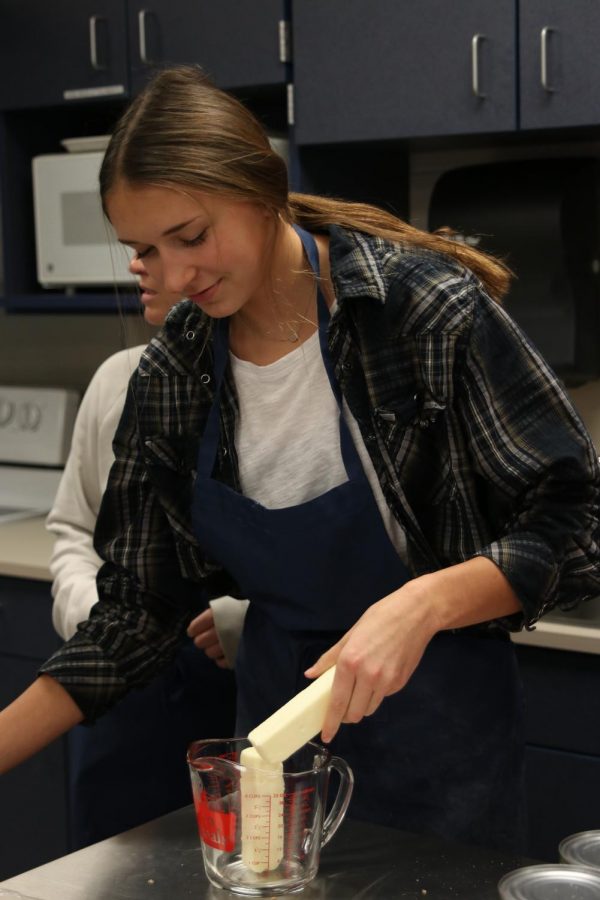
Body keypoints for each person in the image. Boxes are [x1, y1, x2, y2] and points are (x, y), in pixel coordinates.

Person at [1, 66, 599, 854]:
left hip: (442, 741)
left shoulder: (419, 311)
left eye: (192, 236)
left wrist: (423, 604)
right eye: (145, 249)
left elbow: (574, 518)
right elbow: (136, 616)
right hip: (274, 757)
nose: (174, 275)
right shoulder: (174, 374)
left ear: (263, 189)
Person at [46, 255, 245, 847]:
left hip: (241, 696)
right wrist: (93, 613)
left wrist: (248, 625)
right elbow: (72, 532)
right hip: (120, 700)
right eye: (136, 244)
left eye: (174, 239)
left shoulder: (273, 384)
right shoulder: (117, 378)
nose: (136, 262)